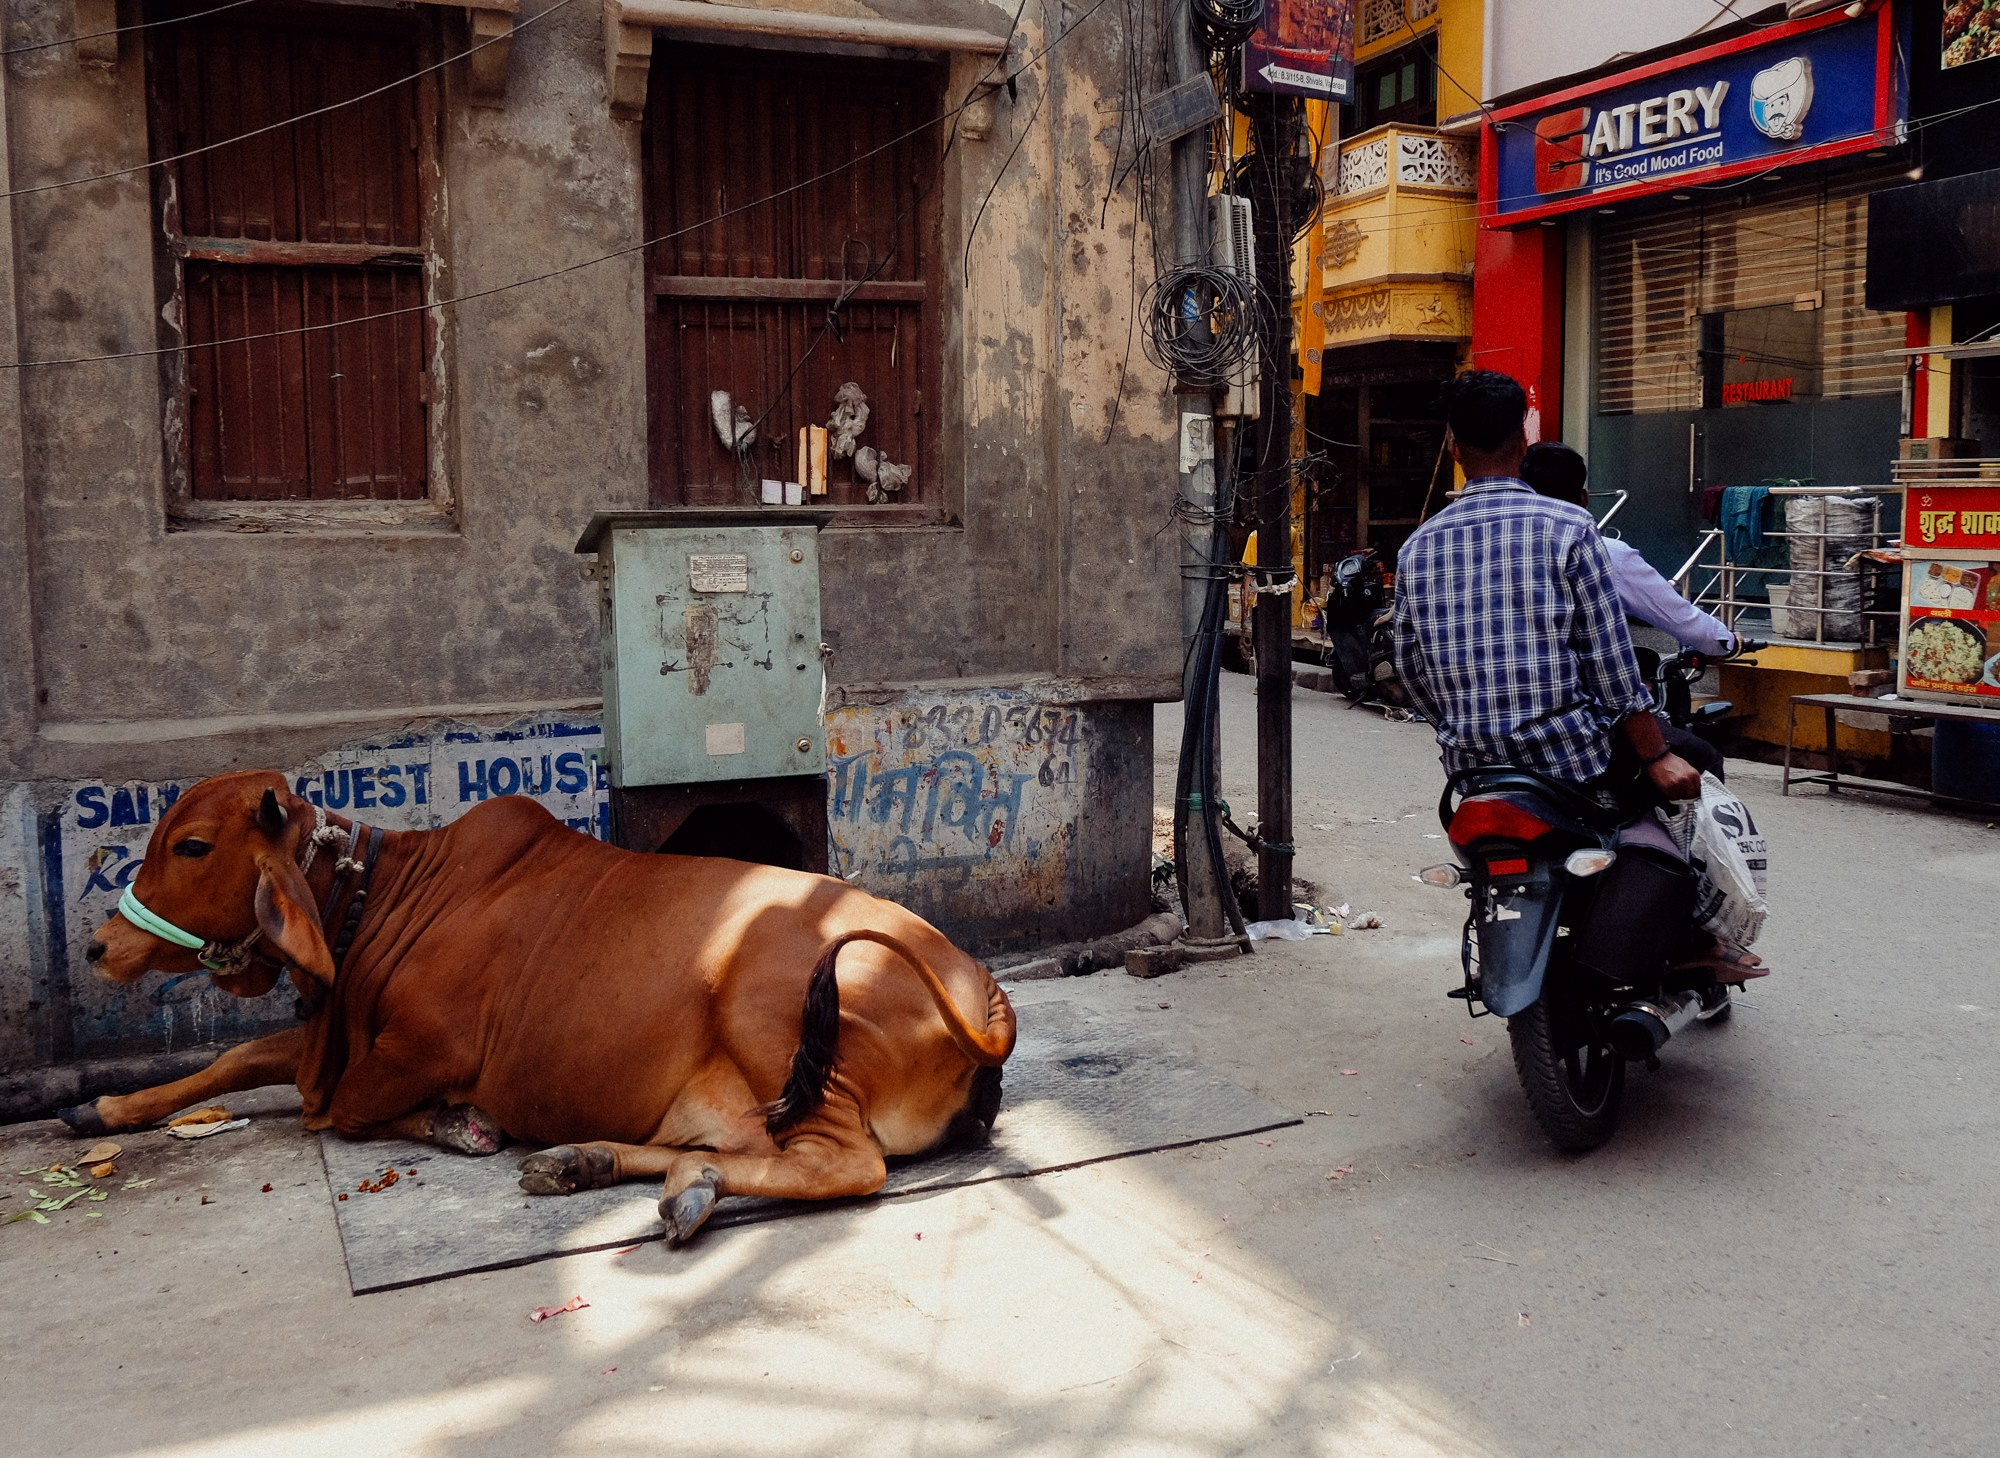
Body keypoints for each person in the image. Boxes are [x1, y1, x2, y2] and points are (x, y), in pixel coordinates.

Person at [1391, 370, 1701, 809]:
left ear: (1455, 449)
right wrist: (1657, 755)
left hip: (1472, 772)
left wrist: (1464, 726)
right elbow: (1608, 659)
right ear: (1522, 443)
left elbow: (1411, 664)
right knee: (1675, 806)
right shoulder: (1570, 527)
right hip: (1570, 762)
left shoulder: (1416, 548)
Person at [1519, 442, 1737, 657]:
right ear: (1584, 499)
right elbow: (1681, 619)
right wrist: (1727, 642)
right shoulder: (1605, 553)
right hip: (1575, 684)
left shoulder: (1494, 545)